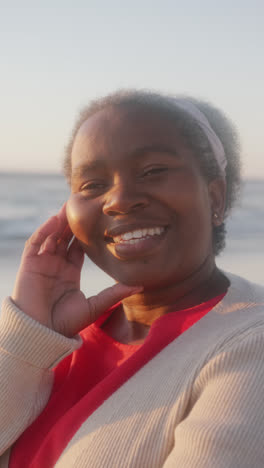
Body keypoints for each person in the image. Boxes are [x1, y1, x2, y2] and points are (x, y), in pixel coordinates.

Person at [0, 90, 264, 468]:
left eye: (153, 171)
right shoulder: (56, 342)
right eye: (91, 184)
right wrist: (27, 339)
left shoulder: (251, 342)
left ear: (215, 197)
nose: (119, 199)